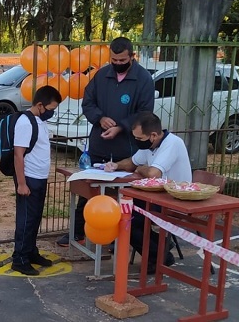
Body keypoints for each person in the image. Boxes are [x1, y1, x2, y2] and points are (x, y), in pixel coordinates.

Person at [57, 37, 155, 246]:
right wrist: (100, 118)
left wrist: (120, 126)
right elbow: (88, 102)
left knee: (124, 194)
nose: (118, 63)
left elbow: (145, 113)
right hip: (99, 145)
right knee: (88, 189)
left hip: (127, 149)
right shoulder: (102, 75)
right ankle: (78, 231)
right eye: (114, 60)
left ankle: (119, 236)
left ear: (132, 56)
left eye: (122, 60)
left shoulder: (144, 79)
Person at [105, 111, 191, 274]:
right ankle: (159, 247)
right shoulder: (150, 144)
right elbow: (132, 162)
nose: (137, 142)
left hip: (175, 199)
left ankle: (158, 255)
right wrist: (115, 165)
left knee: (129, 220)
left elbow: (152, 173)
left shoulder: (172, 144)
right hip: (156, 196)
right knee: (122, 214)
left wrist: (139, 168)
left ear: (153, 135)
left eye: (139, 139)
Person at [12, 85, 62, 276]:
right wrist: (22, 184)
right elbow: (18, 155)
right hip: (29, 179)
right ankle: (20, 258)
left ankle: (31, 252)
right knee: (26, 219)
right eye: (51, 109)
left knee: (35, 218)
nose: (52, 113)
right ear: (40, 105)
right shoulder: (25, 122)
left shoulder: (39, 121)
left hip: (40, 178)